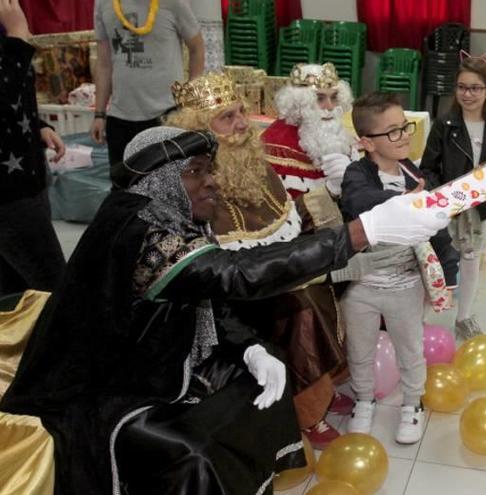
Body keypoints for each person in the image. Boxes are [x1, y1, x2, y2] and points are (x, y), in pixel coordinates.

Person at [0, 125, 448, 494]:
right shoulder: (138, 232)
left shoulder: (173, 217)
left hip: (163, 362)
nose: (211, 180)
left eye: (209, 170)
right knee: (194, 458)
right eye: (196, 171)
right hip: (106, 386)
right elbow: (235, 274)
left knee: (265, 384)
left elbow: (208, 300)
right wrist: (359, 233)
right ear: (161, 179)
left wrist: (251, 348)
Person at [164, 71, 406, 449]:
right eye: (227, 117)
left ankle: (319, 391)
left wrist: (329, 198)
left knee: (328, 283)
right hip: (230, 292)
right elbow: (222, 261)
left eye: (241, 111)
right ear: (200, 129)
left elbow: (284, 215)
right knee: (299, 308)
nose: (243, 123)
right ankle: (306, 412)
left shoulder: (248, 159)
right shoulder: (197, 180)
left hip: (268, 269)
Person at [340, 92, 459, 444]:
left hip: (406, 285)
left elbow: (436, 228)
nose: (404, 135)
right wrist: (407, 202)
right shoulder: (357, 174)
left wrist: (448, 273)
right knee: (358, 351)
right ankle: (363, 400)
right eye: (392, 132)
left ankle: (411, 403)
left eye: (404, 127)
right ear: (366, 142)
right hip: (361, 287)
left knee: (411, 348)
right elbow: (357, 200)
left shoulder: (415, 174)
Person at [420, 52, 486, 340]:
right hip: (446, 209)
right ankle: (420, 316)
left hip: (478, 210)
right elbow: (428, 168)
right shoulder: (444, 125)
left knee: (471, 260)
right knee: (436, 260)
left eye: (475, 88)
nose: (467, 94)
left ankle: (465, 316)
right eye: (462, 87)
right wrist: (443, 196)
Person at [90, 0, 205, 187]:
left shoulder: (174, 3)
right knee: (123, 190)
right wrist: (99, 113)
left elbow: (197, 47)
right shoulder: (103, 3)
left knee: (167, 189)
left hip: (166, 114)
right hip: (120, 118)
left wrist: (189, 100)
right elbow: (104, 62)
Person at [0, 0, 66, 295]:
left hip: (26, 178)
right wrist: (17, 37)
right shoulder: (12, 26)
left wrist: (37, 124)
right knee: (54, 293)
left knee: (21, 295)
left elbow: (12, 98)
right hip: (9, 193)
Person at [263, 62, 356, 205]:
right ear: (299, 103)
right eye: (320, 98)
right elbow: (287, 213)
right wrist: (331, 189)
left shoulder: (341, 136)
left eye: (334, 97)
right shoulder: (276, 149)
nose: (330, 107)